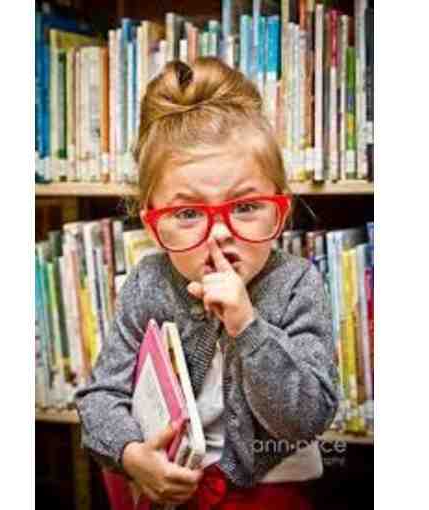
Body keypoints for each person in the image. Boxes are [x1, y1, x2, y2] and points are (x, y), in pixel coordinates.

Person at [75, 57, 339, 510]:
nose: (219, 234)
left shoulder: (297, 285)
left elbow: (306, 417)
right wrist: (132, 455)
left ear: (281, 211)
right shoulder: (148, 283)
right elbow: (100, 398)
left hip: (271, 492)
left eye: (246, 207)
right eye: (187, 213)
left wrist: (247, 327)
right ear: (153, 226)